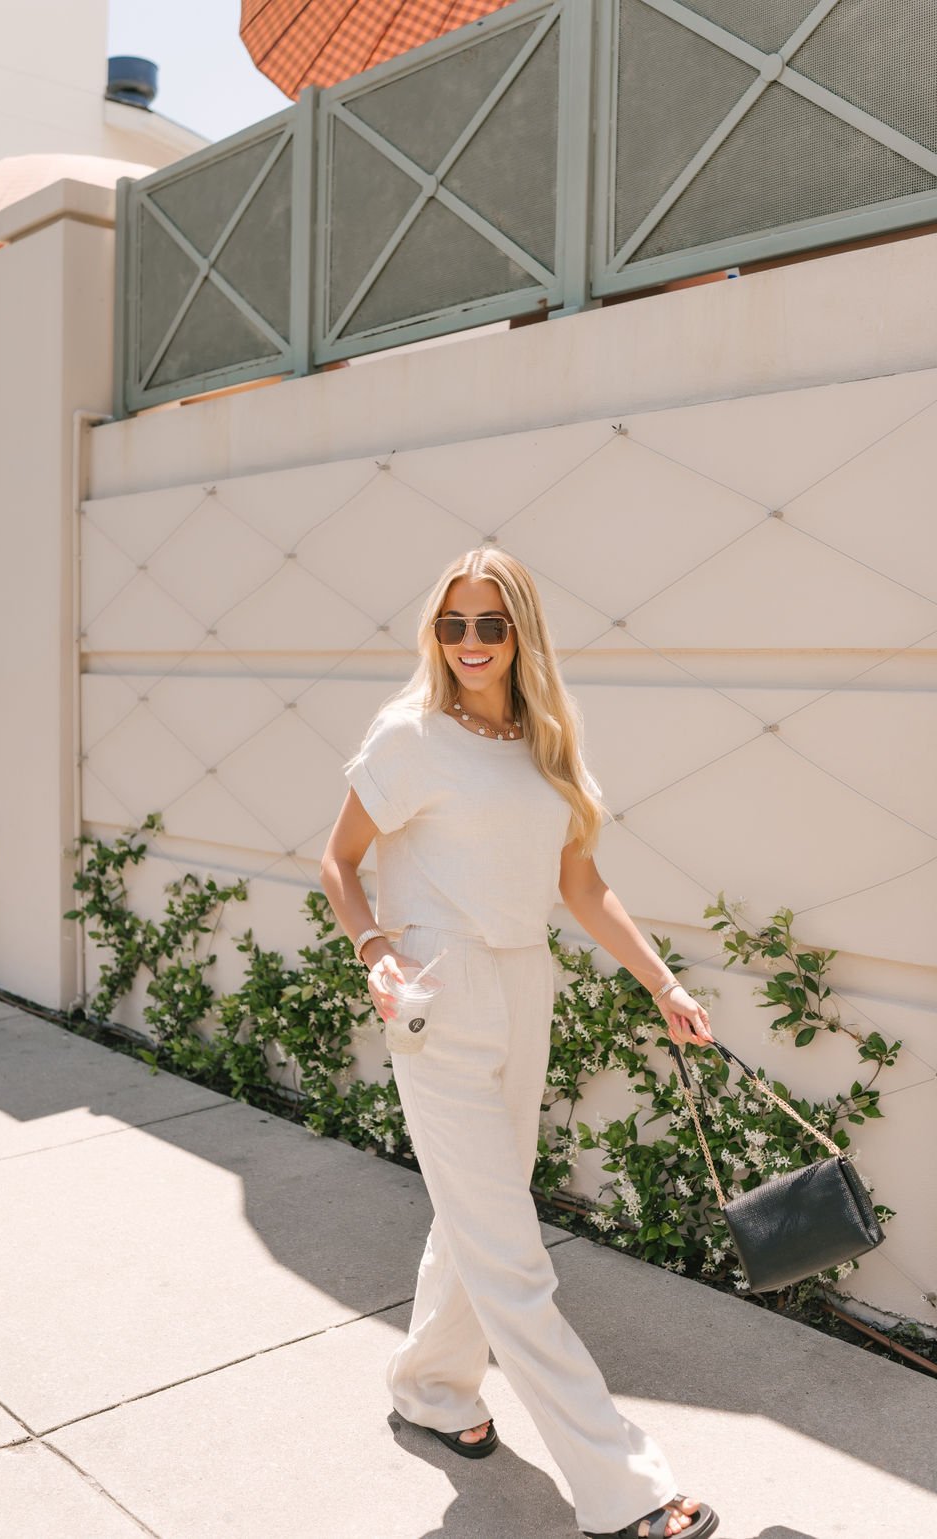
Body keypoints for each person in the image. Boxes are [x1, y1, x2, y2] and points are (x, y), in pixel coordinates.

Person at [319, 547, 718, 1539]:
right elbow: (338, 859)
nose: (467, 644)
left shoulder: (549, 743)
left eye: (489, 625)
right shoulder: (409, 737)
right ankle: (622, 1488)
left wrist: (661, 981)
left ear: (521, 634)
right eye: (451, 625)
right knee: (510, 1252)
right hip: (439, 993)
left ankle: (430, 1388)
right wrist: (373, 948)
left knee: (477, 1214)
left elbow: (582, 886)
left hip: (523, 980)